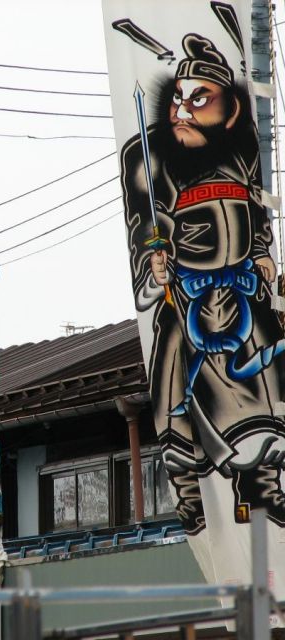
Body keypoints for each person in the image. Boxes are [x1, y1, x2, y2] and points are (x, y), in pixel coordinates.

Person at [121, 33, 285, 533]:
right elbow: (145, 225)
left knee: (262, 388)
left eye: (199, 99)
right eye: (178, 97)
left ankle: (261, 483)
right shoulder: (150, 156)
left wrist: (261, 256)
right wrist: (153, 262)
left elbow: (255, 220)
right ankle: (190, 491)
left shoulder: (242, 153)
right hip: (191, 296)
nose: (182, 110)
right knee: (180, 389)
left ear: (230, 109)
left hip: (244, 295)